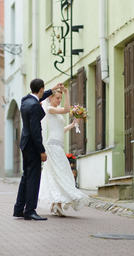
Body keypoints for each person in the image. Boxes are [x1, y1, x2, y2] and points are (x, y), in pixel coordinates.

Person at [13, 79, 63, 221]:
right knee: (34, 179)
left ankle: (18, 209)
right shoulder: (35, 105)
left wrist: (51, 89)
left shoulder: (25, 100)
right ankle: (30, 210)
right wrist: (41, 151)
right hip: (33, 146)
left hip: (24, 144)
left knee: (26, 177)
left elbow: (38, 97)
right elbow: (36, 131)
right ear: (41, 89)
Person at [39, 86, 90, 216]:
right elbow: (67, 109)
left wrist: (72, 125)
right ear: (50, 98)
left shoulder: (55, 111)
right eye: (57, 98)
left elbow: (60, 130)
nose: (59, 100)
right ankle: (57, 203)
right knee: (61, 173)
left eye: (61, 98)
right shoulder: (50, 109)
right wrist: (67, 93)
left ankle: (55, 204)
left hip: (58, 145)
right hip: (53, 146)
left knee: (60, 173)